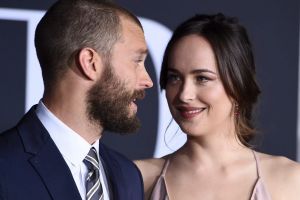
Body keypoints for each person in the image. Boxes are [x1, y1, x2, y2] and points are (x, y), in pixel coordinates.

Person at [135, 13, 300, 200]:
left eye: (202, 78)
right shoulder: (139, 178)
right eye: (175, 77)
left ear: (238, 84)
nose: (184, 94)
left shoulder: (290, 179)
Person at [0, 0, 153, 199]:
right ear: (90, 63)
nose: (148, 80)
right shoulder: (4, 168)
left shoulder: (128, 175)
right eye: (137, 61)